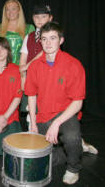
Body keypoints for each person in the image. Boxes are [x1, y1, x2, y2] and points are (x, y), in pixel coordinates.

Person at [25, 22, 84, 185]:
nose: (48, 43)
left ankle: (73, 167)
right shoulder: (35, 66)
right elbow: (31, 95)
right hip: (43, 115)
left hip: (65, 114)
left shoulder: (74, 65)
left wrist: (57, 123)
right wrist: (33, 123)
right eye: (44, 39)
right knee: (41, 162)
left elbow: (77, 103)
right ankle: (73, 149)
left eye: (52, 38)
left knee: (71, 137)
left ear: (61, 40)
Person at [0, 0, 35, 65]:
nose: (10, 12)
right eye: (7, 9)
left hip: (20, 69)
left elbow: (33, 52)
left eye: (13, 9)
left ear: (19, 11)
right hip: (2, 69)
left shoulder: (29, 28)